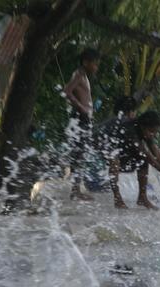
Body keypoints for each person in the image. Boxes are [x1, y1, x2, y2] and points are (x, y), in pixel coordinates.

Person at [94, 110, 160, 209]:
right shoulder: (130, 129)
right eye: (151, 131)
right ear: (142, 126)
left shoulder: (146, 131)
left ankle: (142, 197)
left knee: (143, 161)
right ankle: (117, 197)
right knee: (115, 160)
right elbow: (146, 155)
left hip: (118, 144)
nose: (152, 135)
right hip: (100, 141)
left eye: (155, 132)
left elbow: (156, 152)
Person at [63, 48, 100, 201]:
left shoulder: (83, 75)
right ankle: (75, 190)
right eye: (94, 63)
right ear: (85, 62)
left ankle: (76, 189)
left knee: (81, 154)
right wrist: (81, 107)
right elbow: (67, 91)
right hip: (80, 118)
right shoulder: (78, 74)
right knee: (79, 154)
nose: (96, 67)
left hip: (83, 118)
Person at [86, 96, 138, 192]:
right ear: (131, 112)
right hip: (95, 181)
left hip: (89, 177)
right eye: (135, 111)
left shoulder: (110, 123)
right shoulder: (124, 124)